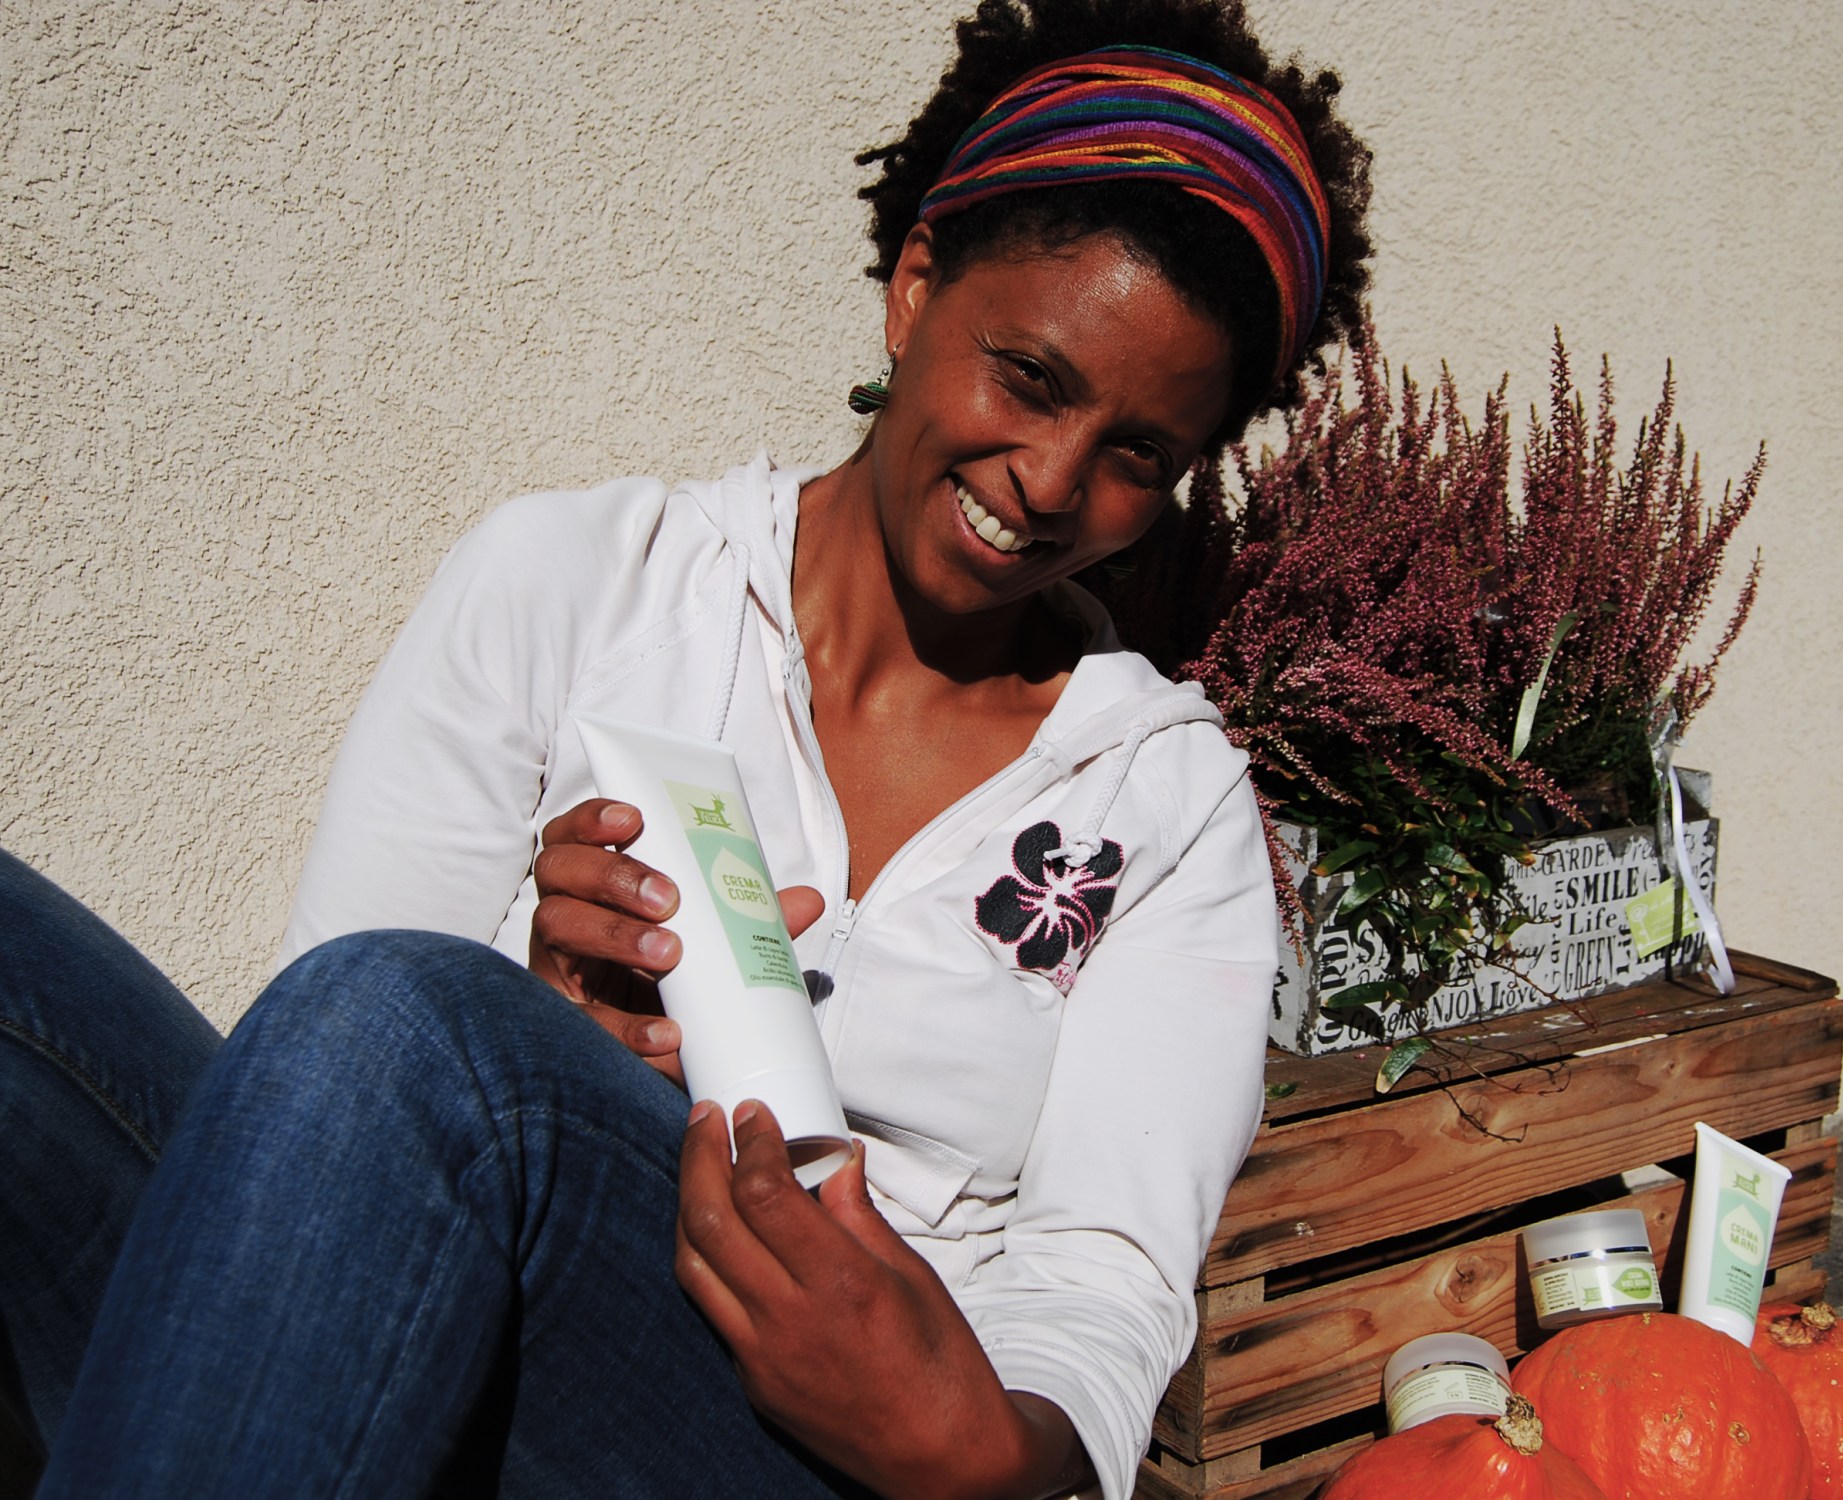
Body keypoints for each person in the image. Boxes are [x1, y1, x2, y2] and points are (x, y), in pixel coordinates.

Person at [0, 1, 1370, 1495]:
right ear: (915, 287)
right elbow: (316, 1098)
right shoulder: (581, 586)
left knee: (408, 1023)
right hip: (426, 1320)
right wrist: (537, 1019)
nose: (1048, 482)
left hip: (800, 1443)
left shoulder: (1160, 799)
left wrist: (974, 1445)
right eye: (1030, 378)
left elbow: (1106, 1283)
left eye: (1136, 457)